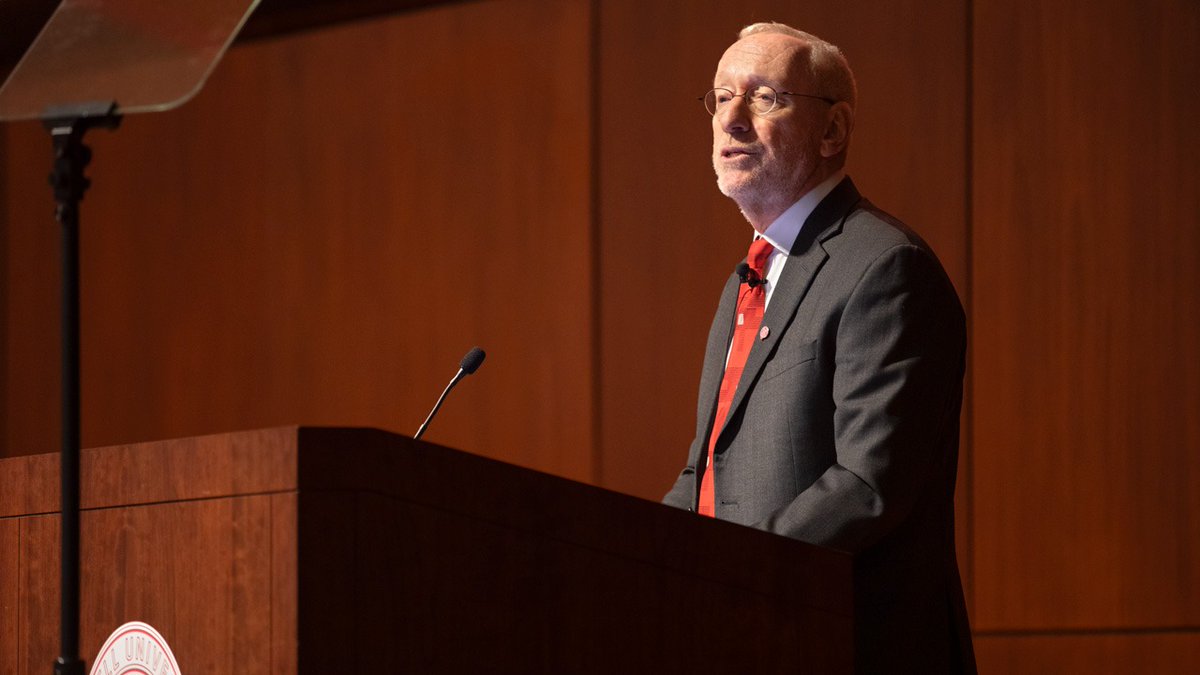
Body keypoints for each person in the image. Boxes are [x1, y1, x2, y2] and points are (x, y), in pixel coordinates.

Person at [662, 22, 977, 673]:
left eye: (764, 97)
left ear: (832, 131)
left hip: (849, 646)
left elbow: (866, 485)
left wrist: (727, 574)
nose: (732, 119)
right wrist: (636, 563)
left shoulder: (885, 267)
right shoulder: (747, 280)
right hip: (751, 638)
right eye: (721, 97)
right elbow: (706, 472)